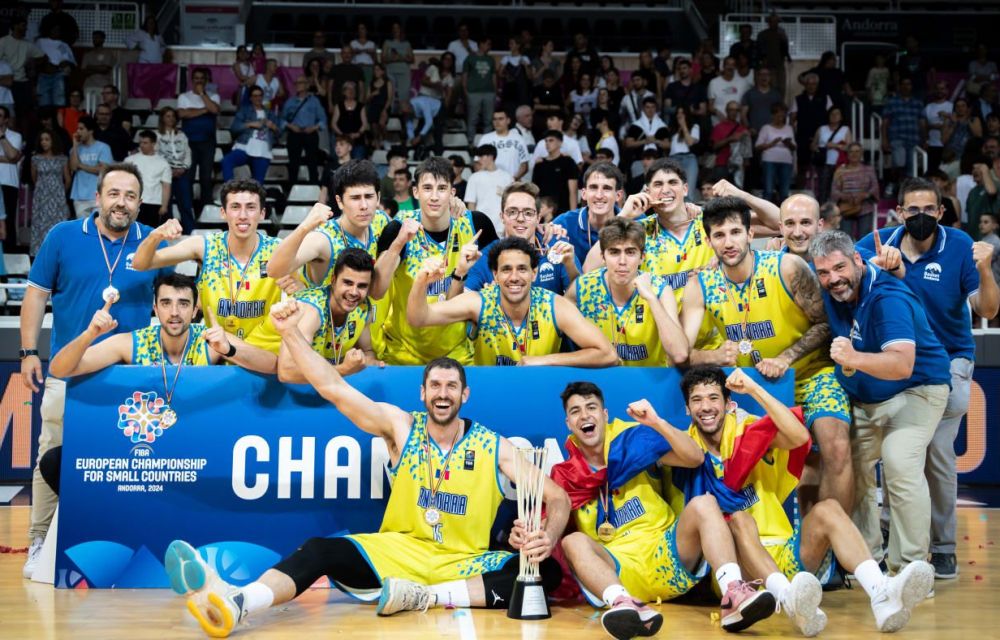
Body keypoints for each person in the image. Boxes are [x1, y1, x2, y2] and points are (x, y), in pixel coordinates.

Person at [166, 344, 569, 637]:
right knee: (319, 550)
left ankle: (425, 597)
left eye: (451, 386)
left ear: (465, 395)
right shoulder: (401, 427)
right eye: (435, 385)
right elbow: (334, 388)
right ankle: (239, 603)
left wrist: (547, 538)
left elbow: (557, 497)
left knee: (543, 572)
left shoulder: (494, 446)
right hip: (398, 553)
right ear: (423, 393)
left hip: (462, 563)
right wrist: (290, 334)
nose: (443, 393)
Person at [680, 365, 936, 634]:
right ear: (687, 409)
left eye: (713, 398)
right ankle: (786, 597)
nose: (705, 407)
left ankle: (880, 592)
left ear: (728, 404)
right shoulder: (684, 449)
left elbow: (799, 436)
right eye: (697, 400)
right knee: (738, 518)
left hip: (784, 552)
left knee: (829, 509)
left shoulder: (748, 432)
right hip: (739, 573)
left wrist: (754, 389)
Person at [19, 163, 172, 579]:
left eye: (130, 196)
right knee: (51, 454)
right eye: (114, 194)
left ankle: (131, 541)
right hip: (70, 372)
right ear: (98, 197)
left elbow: (174, 302)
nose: (122, 202)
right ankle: (39, 541)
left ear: (140, 202)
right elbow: (35, 296)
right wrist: (29, 351)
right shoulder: (63, 236)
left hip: (134, 378)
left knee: (135, 461)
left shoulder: (153, 243)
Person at [856, 177, 999, 579]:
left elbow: (988, 308)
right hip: (898, 362)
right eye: (912, 210)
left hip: (950, 361)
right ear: (900, 212)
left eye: (928, 210)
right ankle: (889, 533)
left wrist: (985, 269)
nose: (921, 216)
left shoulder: (959, 245)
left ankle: (943, 548)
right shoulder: (878, 242)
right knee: (894, 450)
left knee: (935, 451)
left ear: (941, 211)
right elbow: (840, 270)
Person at [553, 381, 776, 637]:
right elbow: (552, 522)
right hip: (620, 571)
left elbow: (694, 458)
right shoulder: (565, 476)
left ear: (604, 415)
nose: (585, 415)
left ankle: (733, 593)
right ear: (568, 423)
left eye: (591, 407)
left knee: (705, 503)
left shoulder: (633, 443)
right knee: (572, 541)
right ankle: (624, 605)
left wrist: (656, 422)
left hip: (667, 554)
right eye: (575, 411)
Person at [680, 195, 854, 514]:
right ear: (708, 240)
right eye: (719, 235)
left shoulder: (786, 267)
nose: (728, 242)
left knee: (836, 446)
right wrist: (712, 356)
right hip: (750, 385)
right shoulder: (700, 285)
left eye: (735, 232)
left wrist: (786, 358)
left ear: (750, 234)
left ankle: (837, 542)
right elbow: (679, 354)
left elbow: (824, 324)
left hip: (810, 375)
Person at [811, 230, 951, 574]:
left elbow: (902, 365)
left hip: (917, 389)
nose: (833, 279)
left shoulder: (888, 298)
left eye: (840, 268)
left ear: (857, 261)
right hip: (868, 398)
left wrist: (853, 358)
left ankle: (911, 569)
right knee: (850, 468)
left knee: (899, 461)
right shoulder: (836, 282)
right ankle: (868, 562)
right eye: (824, 273)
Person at [407, 236, 615, 367]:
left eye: (522, 269)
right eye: (506, 269)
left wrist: (544, 360)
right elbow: (418, 318)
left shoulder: (555, 305)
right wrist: (420, 282)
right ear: (495, 275)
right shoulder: (479, 303)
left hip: (540, 393)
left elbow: (607, 354)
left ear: (534, 273)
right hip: (489, 394)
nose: (514, 277)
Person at [374, 157, 498, 365]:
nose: (434, 196)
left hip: (457, 352)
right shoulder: (398, 229)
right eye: (427, 188)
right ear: (416, 192)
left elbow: (507, 262)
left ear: (452, 193)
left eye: (441, 188)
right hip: (404, 352)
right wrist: (398, 243)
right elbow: (377, 290)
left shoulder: (475, 224)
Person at [132, 179, 283, 340]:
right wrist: (155, 236)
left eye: (251, 207)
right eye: (235, 207)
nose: (243, 215)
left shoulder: (278, 249)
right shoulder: (204, 246)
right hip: (217, 348)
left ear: (262, 213)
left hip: (264, 349)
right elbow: (140, 264)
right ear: (223, 212)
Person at [48, 272, 274, 377]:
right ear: (155, 308)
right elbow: (59, 370)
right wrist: (89, 334)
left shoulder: (209, 340)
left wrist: (229, 350)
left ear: (194, 311)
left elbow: (272, 365)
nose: (174, 312)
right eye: (166, 303)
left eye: (183, 304)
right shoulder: (132, 343)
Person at [567, 218, 689, 367]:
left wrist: (651, 298)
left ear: (642, 257)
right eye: (614, 252)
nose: (622, 261)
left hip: (649, 376)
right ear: (603, 257)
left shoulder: (660, 289)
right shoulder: (583, 288)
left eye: (630, 252)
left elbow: (680, 354)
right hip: (600, 377)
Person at [250, 248, 381, 380]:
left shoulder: (362, 308)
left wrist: (371, 362)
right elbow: (287, 372)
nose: (354, 292)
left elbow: (367, 351)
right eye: (348, 283)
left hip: (303, 381)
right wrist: (344, 369)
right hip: (255, 373)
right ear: (333, 280)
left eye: (362, 286)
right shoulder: (311, 310)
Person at [268, 160, 391, 290]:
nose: (364, 206)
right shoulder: (324, 239)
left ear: (378, 198)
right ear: (339, 201)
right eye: (355, 198)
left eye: (369, 196)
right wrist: (305, 227)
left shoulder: (381, 220)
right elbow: (274, 270)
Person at [453, 182, 578, 295]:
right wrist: (461, 274)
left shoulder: (557, 247)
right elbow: (459, 305)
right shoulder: (485, 257)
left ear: (538, 218)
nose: (520, 219)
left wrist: (571, 266)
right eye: (512, 212)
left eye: (528, 213)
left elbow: (581, 297)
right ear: (502, 217)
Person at [552, 162, 623, 259]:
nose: (599, 195)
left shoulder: (636, 221)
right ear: (584, 194)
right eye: (593, 188)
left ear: (618, 195)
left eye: (607, 188)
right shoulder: (564, 223)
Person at [178, 67, 221, 211]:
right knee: (188, 176)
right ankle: (188, 207)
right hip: (188, 143)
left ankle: (205, 208)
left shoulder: (213, 96)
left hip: (208, 142)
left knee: (206, 177)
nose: (199, 81)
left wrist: (202, 94)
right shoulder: (184, 97)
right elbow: (183, 114)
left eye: (202, 78)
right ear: (192, 80)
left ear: (206, 80)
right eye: (196, 78)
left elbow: (214, 110)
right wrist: (204, 110)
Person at [222, 86, 283, 184]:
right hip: (244, 148)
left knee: (258, 185)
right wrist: (250, 124)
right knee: (227, 161)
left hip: (262, 151)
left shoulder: (270, 114)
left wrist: (273, 127)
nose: (258, 98)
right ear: (250, 98)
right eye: (255, 96)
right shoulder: (244, 111)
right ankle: (230, 188)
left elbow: (279, 134)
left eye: (260, 95)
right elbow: (234, 129)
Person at [881, 77, 925, 194]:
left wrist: (925, 139)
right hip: (897, 138)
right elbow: (885, 122)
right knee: (899, 163)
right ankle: (892, 183)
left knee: (911, 169)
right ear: (899, 86)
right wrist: (884, 139)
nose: (906, 86)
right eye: (904, 84)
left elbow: (922, 123)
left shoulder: (918, 103)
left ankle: (906, 191)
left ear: (912, 86)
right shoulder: (892, 102)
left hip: (913, 139)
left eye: (908, 84)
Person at [30, 129, 70, 256]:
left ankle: (58, 254)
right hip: (41, 198)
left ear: (53, 141)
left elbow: (67, 179)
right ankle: (40, 255)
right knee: (40, 225)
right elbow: (34, 178)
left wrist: (60, 193)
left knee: (58, 225)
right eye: (42, 140)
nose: (44, 142)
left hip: (57, 198)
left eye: (47, 139)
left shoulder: (62, 158)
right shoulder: (36, 158)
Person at [283, 75, 327, 187]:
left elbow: (323, 119)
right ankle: (291, 188)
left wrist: (314, 127)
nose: (298, 85)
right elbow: (281, 119)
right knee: (293, 163)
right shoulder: (290, 101)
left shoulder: (314, 101)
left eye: (301, 83)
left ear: (307, 85)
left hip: (310, 133)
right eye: (296, 83)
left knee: (312, 162)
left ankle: (314, 187)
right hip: (295, 133)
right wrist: (291, 126)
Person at [156, 106, 194, 234]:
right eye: (167, 116)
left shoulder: (182, 135)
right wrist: (168, 170)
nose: (171, 118)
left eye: (172, 116)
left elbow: (188, 153)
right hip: (165, 175)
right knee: (166, 207)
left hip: (182, 173)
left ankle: (190, 233)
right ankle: (169, 234)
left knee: (186, 205)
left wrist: (183, 168)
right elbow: (156, 155)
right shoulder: (157, 135)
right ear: (162, 118)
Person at [830, 142, 879, 239]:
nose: (854, 154)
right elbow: (834, 190)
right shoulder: (840, 171)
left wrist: (864, 195)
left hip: (865, 208)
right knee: (845, 239)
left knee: (864, 239)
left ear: (861, 153)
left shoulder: (869, 170)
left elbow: (875, 187)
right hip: (846, 208)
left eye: (857, 151)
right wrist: (845, 197)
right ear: (847, 154)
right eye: (851, 151)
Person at [68, 116, 113, 218]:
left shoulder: (103, 147)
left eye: (81, 129)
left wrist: (80, 165)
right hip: (79, 196)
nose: (78, 132)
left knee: (99, 225)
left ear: (90, 131)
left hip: (99, 194)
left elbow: (103, 170)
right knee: (83, 226)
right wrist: (74, 145)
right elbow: (73, 167)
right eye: (77, 129)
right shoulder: (75, 149)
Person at [126, 130, 172, 227]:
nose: (142, 145)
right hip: (133, 201)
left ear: (153, 144)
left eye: (145, 143)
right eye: (140, 143)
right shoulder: (130, 160)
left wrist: (164, 206)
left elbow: (166, 186)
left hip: (153, 203)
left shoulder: (163, 163)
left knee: (150, 231)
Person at [464, 144, 513, 234]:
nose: (479, 160)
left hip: (502, 226)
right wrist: (473, 225)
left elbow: (511, 203)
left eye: (481, 156)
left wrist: (508, 225)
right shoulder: (474, 177)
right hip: (480, 227)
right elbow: (471, 204)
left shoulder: (507, 177)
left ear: (490, 157)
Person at [756, 102, 795, 204]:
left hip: (786, 161)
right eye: (778, 116)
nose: (780, 118)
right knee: (768, 190)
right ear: (773, 115)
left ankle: (783, 212)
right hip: (769, 161)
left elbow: (794, 147)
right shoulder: (766, 128)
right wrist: (772, 143)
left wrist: (788, 143)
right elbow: (758, 146)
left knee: (784, 192)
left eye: (782, 116)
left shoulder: (789, 128)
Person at [812, 106, 852, 204]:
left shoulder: (845, 129)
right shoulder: (822, 129)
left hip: (840, 164)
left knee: (838, 188)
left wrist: (835, 146)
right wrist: (821, 147)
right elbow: (813, 145)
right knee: (823, 188)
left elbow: (849, 148)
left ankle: (837, 209)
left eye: (837, 114)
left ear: (841, 117)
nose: (834, 116)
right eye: (832, 114)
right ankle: (822, 208)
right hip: (824, 163)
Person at [532, 130, 579, 214]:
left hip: (563, 211)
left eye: (551, 140)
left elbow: (573, 191)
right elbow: (535, 192)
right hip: (544, 213)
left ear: (560, 143)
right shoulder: (539, 165)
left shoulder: (568, 162)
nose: (547, 143)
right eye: (546, 141)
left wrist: (573, 214)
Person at [478, 110, 529, 180]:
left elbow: (524, 165)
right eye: (494, 119)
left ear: (508, 120)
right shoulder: (485, 139)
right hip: (491, 182)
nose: (497, 122)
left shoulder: (519, 138)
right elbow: (477, 163)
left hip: (512, 183)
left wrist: (514, 179)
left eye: (501, 119)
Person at [463, 39, 497, 140]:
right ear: (481, 44)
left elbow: (494, 76)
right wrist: (465, 90)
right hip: (473, 92)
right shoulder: (470, 58)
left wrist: (495, 92)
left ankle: (487, 141)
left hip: (489, 92)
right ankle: (470, 141)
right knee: (473, 119)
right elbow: (465, 76)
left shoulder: (491, 59)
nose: (489, 46)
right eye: (487, 44)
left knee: (489, 120)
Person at [34, 23, 75, 108]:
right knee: (43, 103)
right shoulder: (40, 41)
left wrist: (58, 66)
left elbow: (70, 61)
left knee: (59, 101)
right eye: (54, 29)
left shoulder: (63, 44)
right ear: (49, 30)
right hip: (43, 75)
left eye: (58, 30)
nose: (56, 32)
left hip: (58, 75)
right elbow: (35, 58)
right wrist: (45, 63)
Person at [382, 21, 414, 113]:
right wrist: (396, 58)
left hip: (404, 72)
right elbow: (383, 58)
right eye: (394, 28)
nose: (396, 30)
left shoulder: (406, 43)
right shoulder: (387, 42)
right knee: (390, 94)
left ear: (401, 30)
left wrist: (399, 57)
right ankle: (389, 114)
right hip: (390, 71)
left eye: (397, 28)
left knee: (404, 95)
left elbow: (412, 59)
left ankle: (403, 115)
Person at [756, 13, 790, 94]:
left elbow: (785, 49)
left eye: (776, 21)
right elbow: (759, 49)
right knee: (771, 87)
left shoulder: (781, 34)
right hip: (768, 65)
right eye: (772, 21)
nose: (774, 23)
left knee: (782, 87)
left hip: (780, 65)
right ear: (769, 23)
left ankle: (780, 102)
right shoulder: (762, 34)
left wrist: (784, 38)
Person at [924, 81, 954, 171]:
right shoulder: (928, 107)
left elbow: (958, 122)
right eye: (937, 89)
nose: (939, 91)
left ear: (947, 91)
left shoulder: (952, 106)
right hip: (932, 145)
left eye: (942, 89)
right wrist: (934, 127)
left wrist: (947, 116)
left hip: (948, 146)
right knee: (932, 172)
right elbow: (923, 126)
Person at [367, 63, 394, 149]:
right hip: (373, 107)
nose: (376, 72)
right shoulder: (371, 83)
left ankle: (385, 140)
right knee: (374, 126)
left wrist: (384, 110)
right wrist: (372, 94)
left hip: (384, 107)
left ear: (382, 71)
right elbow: (367, 99)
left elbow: (390, 98)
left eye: (378, 70)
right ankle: (377, 143)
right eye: (374, 70)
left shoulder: (387, 83)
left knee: (382, 124)